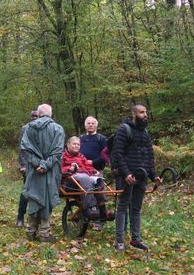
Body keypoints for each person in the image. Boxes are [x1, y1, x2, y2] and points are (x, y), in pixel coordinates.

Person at [112, 104, 161, 252]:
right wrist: (126, 173)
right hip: (126, 176)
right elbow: (118, 154)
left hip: (142, 176)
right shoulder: (123, 129)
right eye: (142, 112)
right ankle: (119, 240)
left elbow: (149, 156)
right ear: (134, 114)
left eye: (146, 112)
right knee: (122, 206)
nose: (145, 115)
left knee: (136, 208)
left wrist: (154, 176)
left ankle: (136, 239)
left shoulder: (145, 132)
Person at [21, 103, 65, 242]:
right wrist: (45, 165)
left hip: (34, 171)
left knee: (34, 197)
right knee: (47, 198)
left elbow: (25, 149)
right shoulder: (58, 129)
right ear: (50, 114)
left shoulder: (29, 128)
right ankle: (44, 233)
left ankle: (31, 230)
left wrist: (36, 164)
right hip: (50, 171)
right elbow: (58, 152)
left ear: (39, 114)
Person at [62, 136, 108, 231]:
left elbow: (87, 166)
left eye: (78, 144)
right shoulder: (63, 156)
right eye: (74, 144)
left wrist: (93, 171)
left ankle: (102, 207)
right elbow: (59, 169)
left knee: (98, 179)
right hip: (69, 180)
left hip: (84, 178)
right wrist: (69, 168)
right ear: (68, 145)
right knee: (85, 177)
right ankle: (90, 207)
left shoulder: (81, 156)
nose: (77, 146)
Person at [16, 110, 39, 227]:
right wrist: (23, 165)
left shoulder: (43, 129)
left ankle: (36, 218)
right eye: (33, 116)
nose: (35, 118)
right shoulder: (25, 128)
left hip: (40, 166)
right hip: (28, 166)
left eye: (37, 116)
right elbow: (21, 148)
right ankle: (20, 217)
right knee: (26, 191)